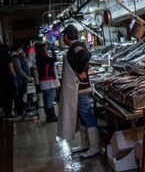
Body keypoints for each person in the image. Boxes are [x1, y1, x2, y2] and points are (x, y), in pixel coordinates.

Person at [57, 25, 100, 158]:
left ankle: (94, 147)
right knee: (82, 116)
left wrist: (80, 71)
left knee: (87, 115)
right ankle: (84, 144)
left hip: (80, 88)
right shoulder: (75, 46)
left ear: (66, 37)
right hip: (78, 88)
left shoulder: (76, 46)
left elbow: (85, 55)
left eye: (63, 36)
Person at [35, 43, 58, 122]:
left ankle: (49, 117)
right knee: (50, 101)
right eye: (46, 48)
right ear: (43, 50)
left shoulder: (38, 59)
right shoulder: (46, 59)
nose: (47, 50)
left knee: (46, 100)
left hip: (43, 82)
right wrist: (52, 50)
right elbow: (54, 59)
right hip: (49, 82)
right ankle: (52, 117)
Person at [0, 45, 16, 120]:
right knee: (9, 97)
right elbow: (11, 69)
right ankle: (9, 113)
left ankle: (6, 113)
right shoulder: (8, 57)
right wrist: (15, 76)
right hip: (9, 80)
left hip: (1, 81)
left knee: (4, 97)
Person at [11, 46, 31, 118]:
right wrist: (26, 76)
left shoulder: (19, 57)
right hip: (19, 80)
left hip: (22, 80)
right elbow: (19, 69)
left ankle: (22, 109)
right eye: (21, 49)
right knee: (20, 96)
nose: (23, 51)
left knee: (22, 95)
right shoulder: (15, 57)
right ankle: (20, 111)